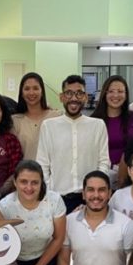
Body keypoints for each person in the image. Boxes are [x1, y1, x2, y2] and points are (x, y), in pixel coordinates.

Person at [36, 75, 111, 213]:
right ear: (61, 97)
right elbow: (42, 165)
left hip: (90, 199)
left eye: (79, 93)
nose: (74, 98)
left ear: (86, 97)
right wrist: (50, 196)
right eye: (69, 93)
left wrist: (95, 192)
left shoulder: (98, 125)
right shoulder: (49, 126)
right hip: (57, 198)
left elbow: (104, 162)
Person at [91, 75, 133, 182]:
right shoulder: (93, 120)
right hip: (100, 176)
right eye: (111, 91)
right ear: (105, 94)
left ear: (126, 94)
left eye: (120, 91)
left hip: (130, 175)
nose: (115, 95)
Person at [11, 72, 59, 161]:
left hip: (52, 173)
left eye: (36, 88)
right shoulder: (15, 121)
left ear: (42, 92)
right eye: (27, 89)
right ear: (21, 93)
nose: (31, 92)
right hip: (25, 173)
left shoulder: (56, 116)